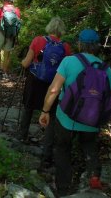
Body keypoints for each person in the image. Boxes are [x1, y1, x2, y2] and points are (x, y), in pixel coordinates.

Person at [38, 29, 111, 196]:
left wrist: (45, 111)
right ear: (97, 47)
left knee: (63, 149)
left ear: (79, 44)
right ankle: (93, 176)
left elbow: (54, 90)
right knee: (89, 146)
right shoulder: (106, 69)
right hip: (92, 120)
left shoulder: (68, 62)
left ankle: (63, 189)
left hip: (66, 118)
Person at [19, 17, 72, 166]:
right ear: (62, 31)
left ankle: (22, 136)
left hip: (35, 81)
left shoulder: (38, 41)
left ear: (49, 27)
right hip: (53, 84)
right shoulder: (66, 47)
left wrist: (22, 63)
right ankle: (46, 153)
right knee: (51, 116)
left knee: (29, 107)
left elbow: (26, 63)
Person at [0, 0, 21, 78]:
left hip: (1, 33)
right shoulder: (16, 10)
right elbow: (18, 24)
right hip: (11, 35)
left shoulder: (1, 9)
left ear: (4, 0)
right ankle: (5, 72)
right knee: (7, 53)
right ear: (12, 0)